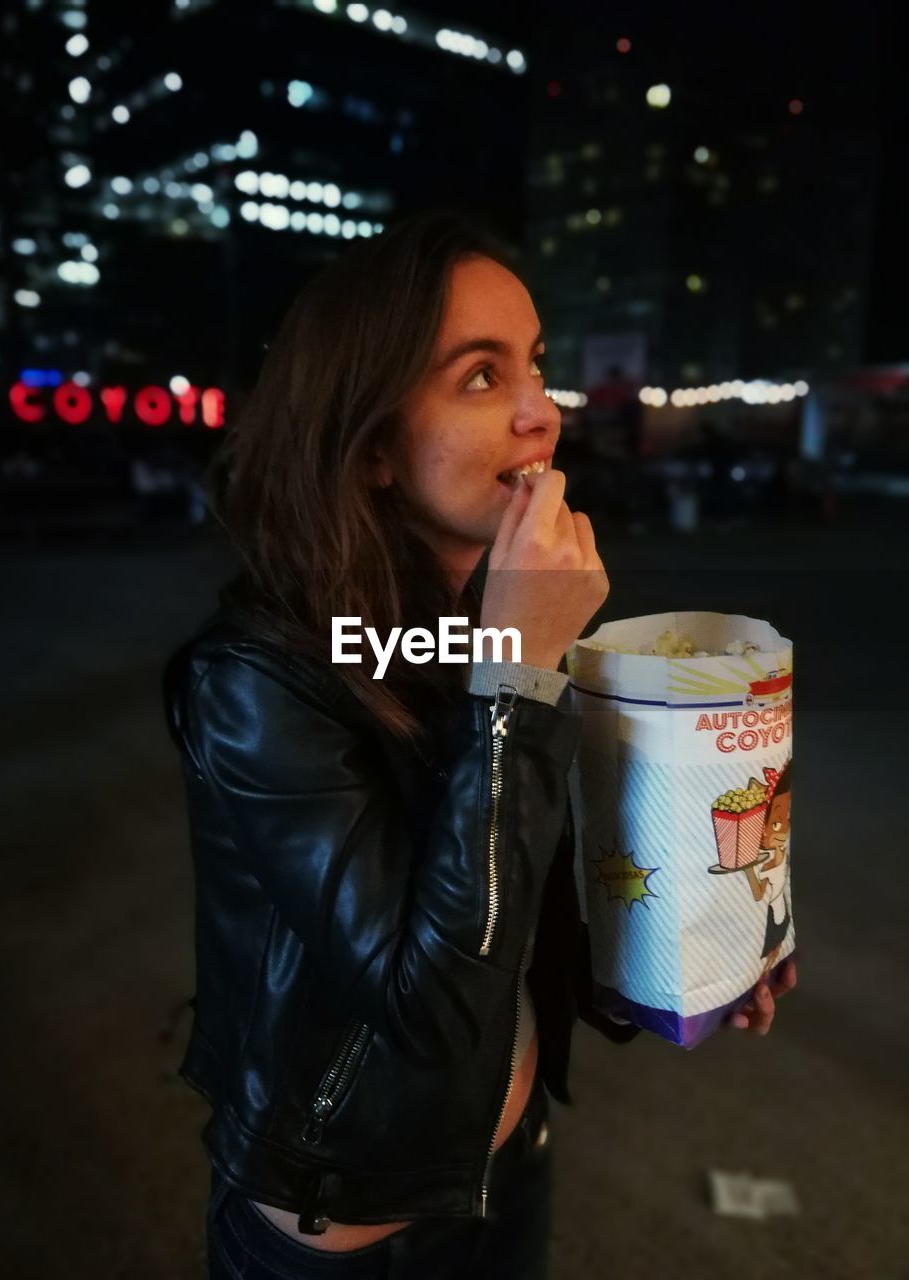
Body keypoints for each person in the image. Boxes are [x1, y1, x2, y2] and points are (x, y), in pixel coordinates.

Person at [162, 208, 794, 1279]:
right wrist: (517, 670)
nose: (542, 413)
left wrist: (680, 955)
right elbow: (432, 1005)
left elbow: (521, 903)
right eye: (480, 377)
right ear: (370, 448)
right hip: (354, 1234)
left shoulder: (480, 625)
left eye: (536, 366)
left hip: (507, 1162)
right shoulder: (255, 680)